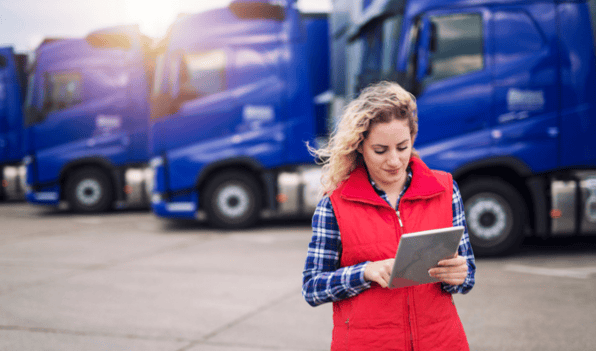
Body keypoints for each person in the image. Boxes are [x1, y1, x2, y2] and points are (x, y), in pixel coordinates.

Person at [302, 81, 476, 350]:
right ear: (360, 146)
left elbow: (467, 276)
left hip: (441, 342)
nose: (394, 160)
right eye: (380, 150)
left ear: (412, 139)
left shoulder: (445, 189)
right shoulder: (334, 205)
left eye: (402, 147)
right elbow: (312, 287)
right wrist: (365, 272)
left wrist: (459, 275)